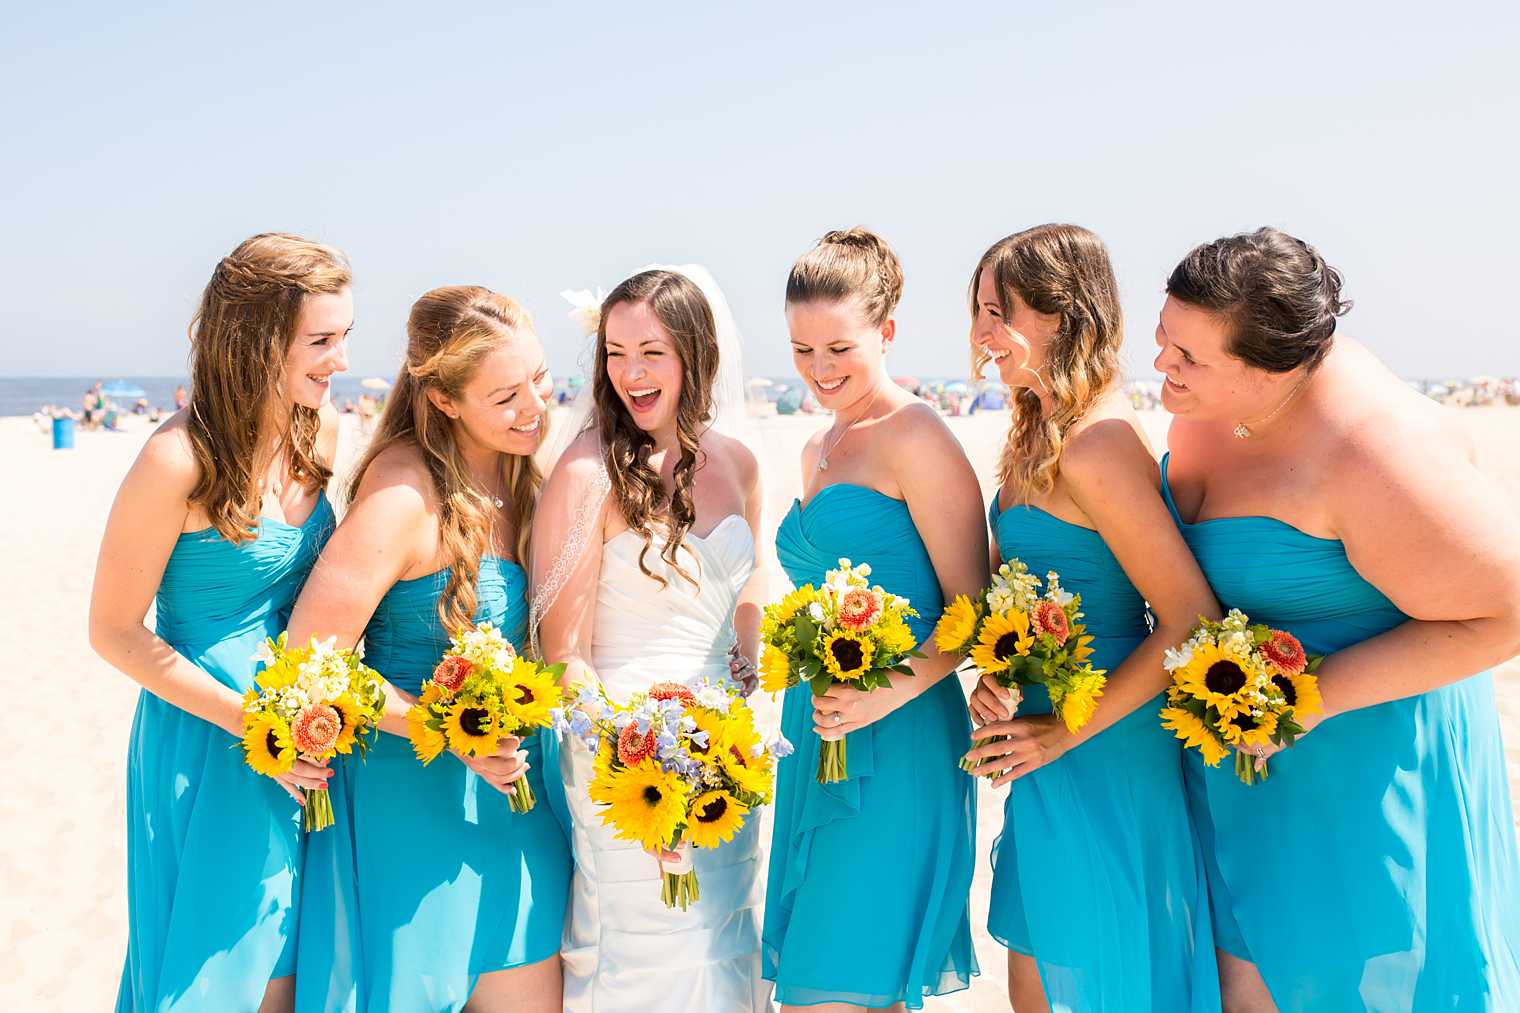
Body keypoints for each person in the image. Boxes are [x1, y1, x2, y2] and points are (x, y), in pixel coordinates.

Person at [1156, 227, 1520, 1009]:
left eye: (1189, 359)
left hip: (1363, 766)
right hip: (1238, 765)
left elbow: (1509, 610)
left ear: (1271, 369)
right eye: (1164, 341)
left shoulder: (1375, 451)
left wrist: (1304, 699)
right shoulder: (1210, 405)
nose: (1163, 367)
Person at [288, 286, 571, 1012]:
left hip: (515, 806)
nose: (534, 407)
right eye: (505, 394)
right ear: (445, 400)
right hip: (406, 811)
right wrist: (447, 730)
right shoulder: (405, 493)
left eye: (538, 379)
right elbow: (311, 654)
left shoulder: (522, 473)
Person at [960, 224, 1220, 1012]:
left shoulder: (1096, 442)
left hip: (1104, 745)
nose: (980, 333)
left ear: (1062, 314)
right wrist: (998, 680)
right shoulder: (1035, 428)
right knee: (1035, 981)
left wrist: (1061, 732)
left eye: (998, 311)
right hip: (1041, 748)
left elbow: (1189, 618)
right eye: (977, 309)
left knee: (1107, 980)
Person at [88, 233, 351, 1011]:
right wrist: (254, 724)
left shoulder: (321, 429)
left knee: (293, 960)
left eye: (344, 337)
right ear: (259, 338)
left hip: (308, 727)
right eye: (321, 340)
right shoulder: (177, 459)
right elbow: (111, 630)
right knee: (217, 970)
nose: (340, 360)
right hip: (208, 735)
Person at [532, 266, 772, 1011]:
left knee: (723, 941)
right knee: (646, 953)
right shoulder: (583, 470)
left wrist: (748, 644)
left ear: (695, 355)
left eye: (651, 352)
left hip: (725, 748)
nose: (629, 373)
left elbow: (750, 573)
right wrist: (640, 751)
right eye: (614, 352)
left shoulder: (737, 462)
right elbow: (561, 651)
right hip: (622, 756)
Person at [762, 228, 984, 1011]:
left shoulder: (916, 434)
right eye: (801, 350)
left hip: (900, 736)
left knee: (836, 985)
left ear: (886, 333)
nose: (820, 369)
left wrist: (885, 692)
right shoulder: (817, 445)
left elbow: (972, 607)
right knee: (851, 986)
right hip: (818, 731)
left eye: (839, 347)